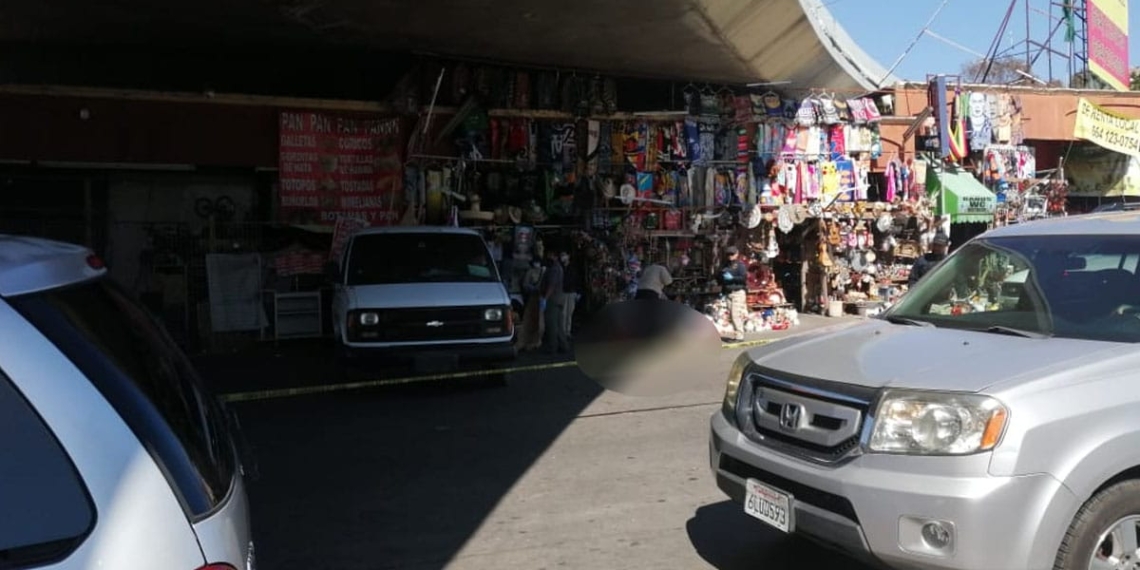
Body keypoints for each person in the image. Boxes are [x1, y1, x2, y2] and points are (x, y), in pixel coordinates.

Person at [540, 249, 570, 354]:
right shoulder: (559, 268)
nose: (549, 257)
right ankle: (563, 345)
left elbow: (551, 285)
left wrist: (545, 298)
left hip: (552, 299)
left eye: (550, 255)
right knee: (559, 324)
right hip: (559, 299)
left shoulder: (553, 269)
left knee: (551, 324)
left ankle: (552, 347)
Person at [719, 246, 749, 341]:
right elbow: (722, 279)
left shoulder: (740, 265)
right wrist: (722, 291)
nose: (730, 256)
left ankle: (740, 336)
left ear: (737, 254)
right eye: (728, 254)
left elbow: (743, 279)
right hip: (728, 292)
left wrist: (733, 278)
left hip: (738, 292)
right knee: (732, 315)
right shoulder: (725, 265)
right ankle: (737, 333)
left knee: (735, 314)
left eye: (732, 254)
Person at [560, 251, 579, 338]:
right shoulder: (561, 268)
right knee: (563, 313)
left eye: (564, 255)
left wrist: (577, 292)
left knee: (569, 313)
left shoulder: (572, 268)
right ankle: (563, 332)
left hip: (571, 292)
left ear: (568, 256)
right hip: (563, 292)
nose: (562, 257)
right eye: (561, 255)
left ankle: (567, 331)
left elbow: (574, 280)